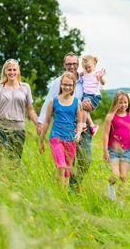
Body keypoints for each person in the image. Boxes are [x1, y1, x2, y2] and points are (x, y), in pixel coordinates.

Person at [37, 52, 93, 189]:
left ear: (78, 64)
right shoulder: (57, 83)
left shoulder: (86, 80)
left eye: (74, 63)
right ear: (64, 65)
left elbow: (94, 96)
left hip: (79, 128)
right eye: (68, 64)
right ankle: (63, 190)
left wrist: (92, 105)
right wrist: (40, 122)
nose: (71, 66)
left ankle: (72, 188)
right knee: (62, 165)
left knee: (84, 161)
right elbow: (48, 106)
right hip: (59, 130)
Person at [0, 59, 38, 159]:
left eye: (14, 70)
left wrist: (38, 125)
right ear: (5, 71)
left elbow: (30, 109)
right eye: (9, 70)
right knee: (3, 160)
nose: (12, 72)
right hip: (0, 128)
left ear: (18, 71)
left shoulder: (25, 87)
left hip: (18, 129)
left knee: (15, 162)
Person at [39, 72, 83, 186]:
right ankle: (62, 190)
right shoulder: (53, 101)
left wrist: (78, 132)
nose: (67, 87)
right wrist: (41, 141)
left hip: (70, 138)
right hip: (56, 137)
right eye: (64, 84)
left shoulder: (77, 102)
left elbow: (79, 121)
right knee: (61, 165)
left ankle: (62, 191)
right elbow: (47, 121)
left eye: (70, 85)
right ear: (61, 85)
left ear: (73, 86)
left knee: (67, 170)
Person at [103, 91, 130, 202]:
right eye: (120, 102)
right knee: (115, 174)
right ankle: (110, 186)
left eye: (125, 102)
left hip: (126, 151)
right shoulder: (110, 116)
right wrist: (105, 151)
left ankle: (120, 201)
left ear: (128, 103)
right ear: (115, 103)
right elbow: (105, 134)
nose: (123, 105)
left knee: (123, 177)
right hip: (112, 150)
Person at [80, 55, 106, 136]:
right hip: (86, 94)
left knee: (83, 106)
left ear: (94, 64)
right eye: (85, 67)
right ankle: (92, 126)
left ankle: (83, 125)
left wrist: (101, 77)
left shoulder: (96, 73)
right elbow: (78, 74)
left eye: (89, 67)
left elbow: (103, 83)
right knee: (85, 109)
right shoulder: (84, 72)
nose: (87, 69)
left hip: (93, 95)